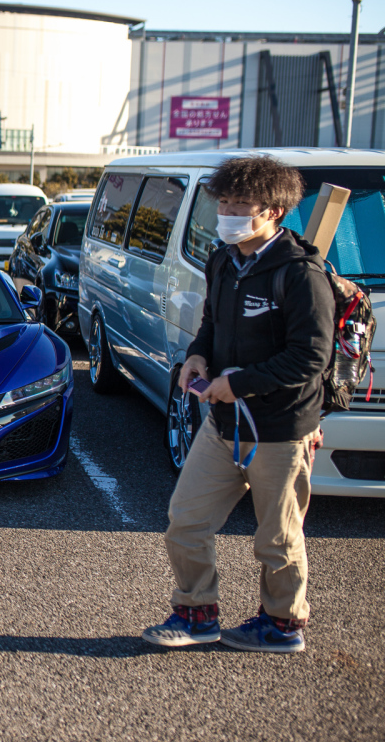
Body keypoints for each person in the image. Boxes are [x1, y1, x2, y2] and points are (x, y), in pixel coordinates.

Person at [142, 156, 334, 654]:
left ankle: (282, 625)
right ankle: (196, 613)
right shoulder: (223, 260)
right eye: (223, 202)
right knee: (186, 520)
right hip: (224, 422)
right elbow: (212, 323)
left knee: (277, 537)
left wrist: (240, 384)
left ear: (273, 210)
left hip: (282, 428)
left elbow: (311, 357)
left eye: (239, 204)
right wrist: (197, 355)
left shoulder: (300, 273)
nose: (226, 213)